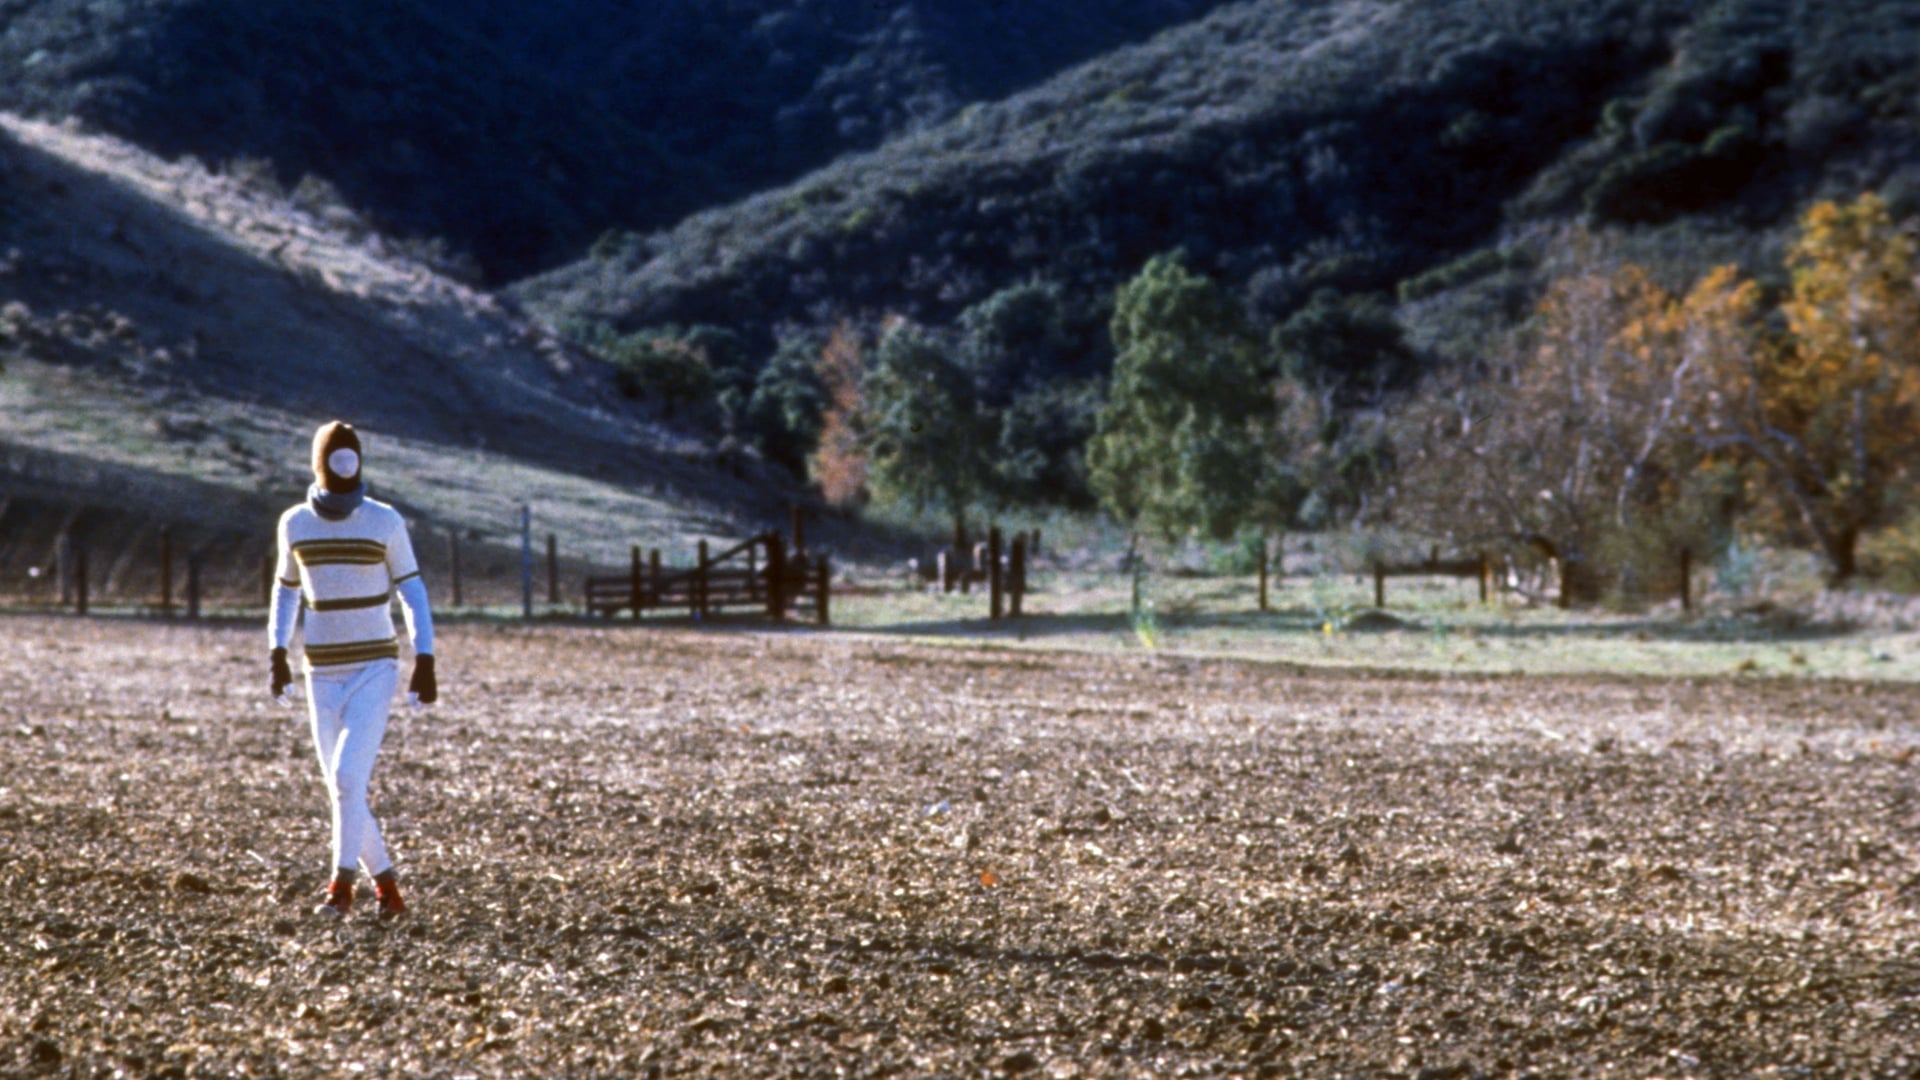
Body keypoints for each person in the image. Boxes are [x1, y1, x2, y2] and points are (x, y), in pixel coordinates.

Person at [268, 420, 438, 919]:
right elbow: (286, 588)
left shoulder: (384, 522)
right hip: (320, 670)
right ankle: (388, 891)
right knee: (344, 788)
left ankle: (339, 888)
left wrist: (423, 657)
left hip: (374, 666)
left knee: (345, 777)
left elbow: (412, 589)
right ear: (320, 467)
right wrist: (277, 650)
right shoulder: (295, 523)